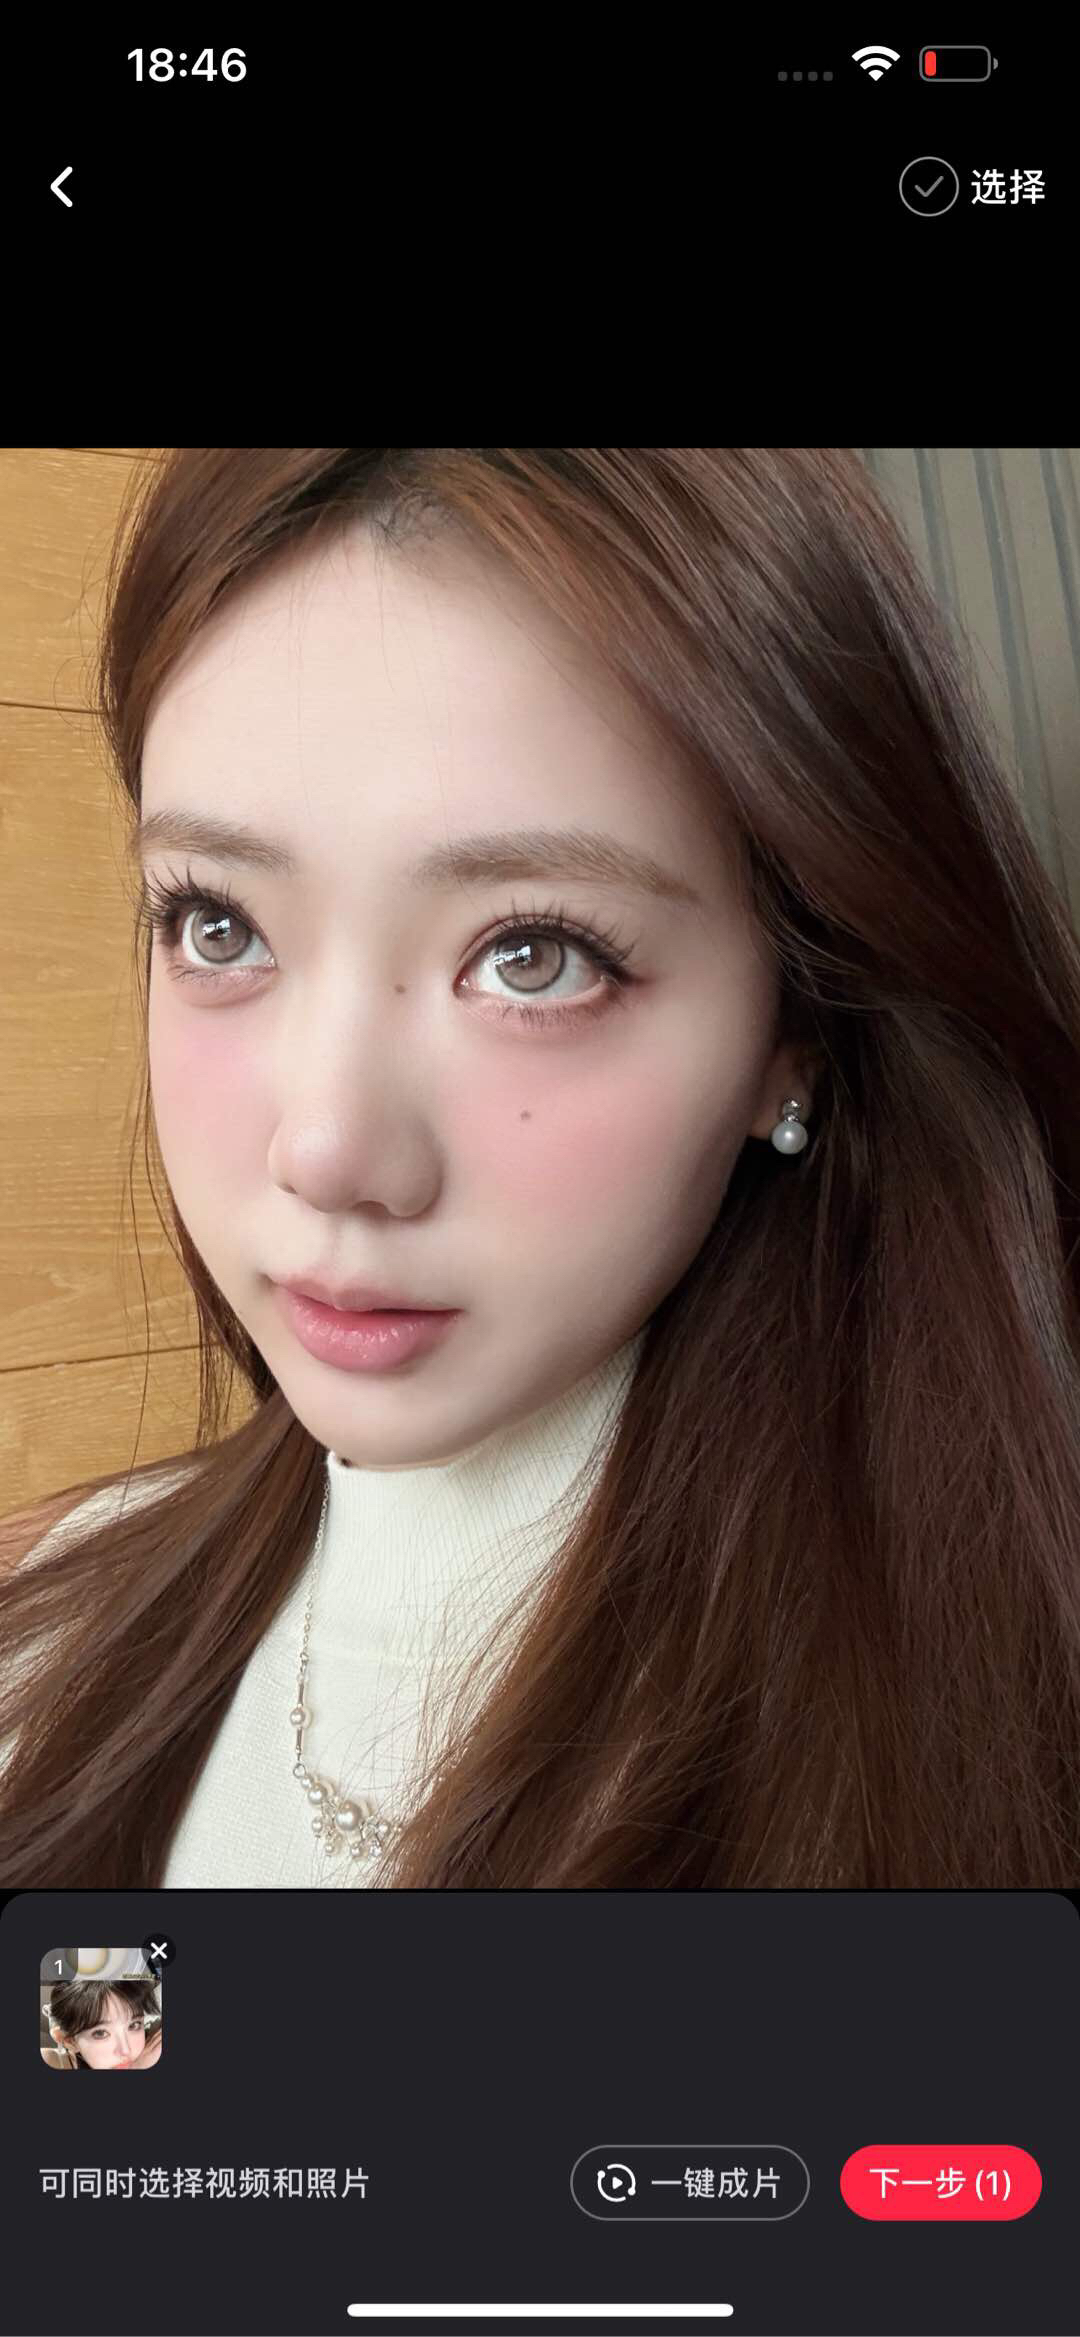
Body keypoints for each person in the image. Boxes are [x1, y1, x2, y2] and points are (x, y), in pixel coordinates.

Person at [2, 448, 1080, 1890]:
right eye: (218, 925)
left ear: (796, 1032)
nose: (326, 1151)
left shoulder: (997, 1742)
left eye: (533, 955)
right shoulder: (45, 1633)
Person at [41, 1978, 162, 2070]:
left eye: (134, 2025)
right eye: (100, 2033)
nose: (126, 2050)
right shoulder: (50, 2061)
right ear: (69, 2041)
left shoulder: (153, 2037)